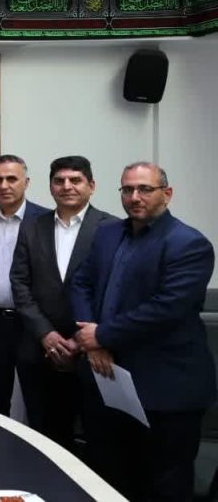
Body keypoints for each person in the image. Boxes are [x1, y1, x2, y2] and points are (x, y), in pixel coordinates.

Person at [70, 162, 215, 502]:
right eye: (127, 189)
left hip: (167, 390)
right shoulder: (107, 234)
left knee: (166, 484)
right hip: (110, 381)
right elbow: (80, 283)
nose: (134, 197)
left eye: (145, 189)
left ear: (167, 193)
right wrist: (93, 343)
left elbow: (166, 309)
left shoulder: (189, 244)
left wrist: (101, 335)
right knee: (113, 478)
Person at [10, 155, 116, 452]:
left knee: (98, 438)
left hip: (93, 352)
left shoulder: (112, 228)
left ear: (91, 186)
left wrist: (82, 340)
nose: (67, 186)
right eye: (59, 181)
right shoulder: (32, 227)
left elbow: (114, 290)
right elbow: (19, 283)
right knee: (46, 438)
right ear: (50, 187)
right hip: (40, 349)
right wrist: (45, 333)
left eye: (75, 180)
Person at [0, 154, 49, 416]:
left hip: (33, 325)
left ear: (26, 182)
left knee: (38, 402)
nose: (4, 185)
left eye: (12, 179)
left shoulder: (45, 220)